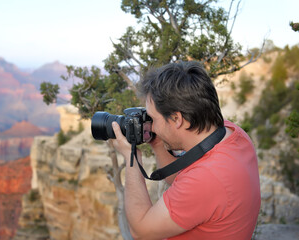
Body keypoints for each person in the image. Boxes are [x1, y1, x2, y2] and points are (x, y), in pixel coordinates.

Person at [111, 61, 261, 240]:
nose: (151, 126)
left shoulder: (206, 179)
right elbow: (179, 179)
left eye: (153, 118)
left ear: (176, 119)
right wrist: (158, 142)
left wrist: (131, 157)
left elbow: (141, 231)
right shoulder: (233, 135)